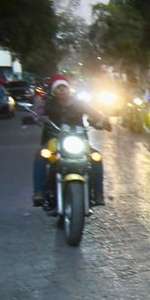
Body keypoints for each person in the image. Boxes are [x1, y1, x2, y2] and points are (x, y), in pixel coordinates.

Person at [31, 75, 110, 206]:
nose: (62, 90)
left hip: (78, 139)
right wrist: (35, 118)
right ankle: (38, 191)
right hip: (54, 139)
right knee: (40, 155)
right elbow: (36, 113)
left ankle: (98, 193)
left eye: (64, 87)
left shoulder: (79, 103)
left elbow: (95, 114)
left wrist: (102, 121)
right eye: (58, 88)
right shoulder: (47, 103)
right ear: (53, 91)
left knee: (96, 157)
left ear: (69, 89)